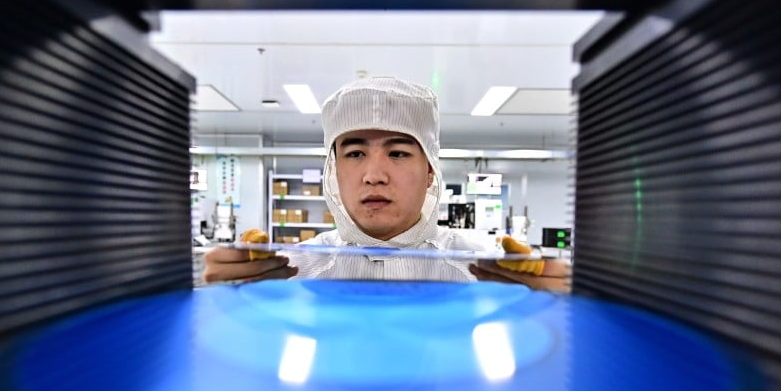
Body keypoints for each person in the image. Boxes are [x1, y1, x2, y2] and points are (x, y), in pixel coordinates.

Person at [202, 76, 570, 291]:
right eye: (354, 153)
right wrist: (218, 297)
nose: (374, 175)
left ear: (430, 170)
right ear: (333, 170)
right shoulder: (289, 272)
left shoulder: (487, 272)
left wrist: (563, 298)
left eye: (398, 153)